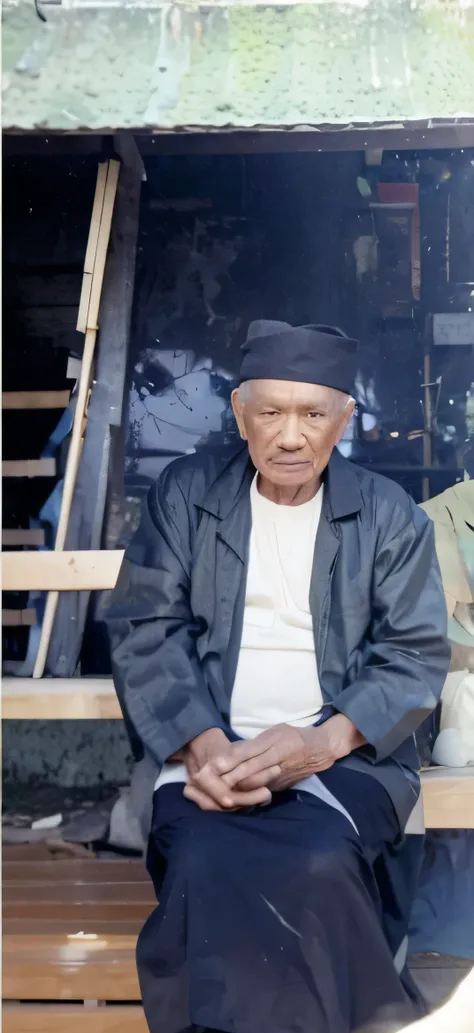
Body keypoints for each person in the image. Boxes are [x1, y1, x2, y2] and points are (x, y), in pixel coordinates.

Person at [106, 320, 450, 1033]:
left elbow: (414, 654)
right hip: (208, 753)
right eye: (270, 411)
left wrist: (319, 743)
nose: (291, 436)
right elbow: (145, 626)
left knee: (321, 861)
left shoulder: (389, 517)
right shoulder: (187, 495)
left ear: (343, 419)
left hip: (345, 757)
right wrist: (201, 744)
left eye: (313, 413)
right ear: (240, 413)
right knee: (200, 856)